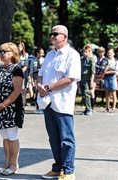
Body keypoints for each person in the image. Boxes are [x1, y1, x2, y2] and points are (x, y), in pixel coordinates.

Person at [37, 25, 80, 180]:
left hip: (62, 102)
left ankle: (69, 171)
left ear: (65, 36)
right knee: (53, 138)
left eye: (56, 34)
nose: (52, 36)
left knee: (67, 138)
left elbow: (70, 78)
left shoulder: (72, 55)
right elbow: (40, 74)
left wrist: (48, 87)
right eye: (51, 34)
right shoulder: (49, 55)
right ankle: (58, 167)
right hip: (47, 102)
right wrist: (39, 85)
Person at [0, 42, 24, 176]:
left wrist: (4, 104)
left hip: (11, 108)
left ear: (13, 53)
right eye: (1, 51)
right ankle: (6, 162)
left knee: (12, 136)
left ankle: (14, 163)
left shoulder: (17, 70)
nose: (2, 54)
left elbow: (16, 92)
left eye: (5, 51)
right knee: (4, 136)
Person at [80, 44, 95, 115]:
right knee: (83, 94)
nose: (84, 53)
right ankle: (86, 108)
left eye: (86, 52)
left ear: (89, 52)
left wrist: (91, 81)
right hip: (82, 79)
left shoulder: (91, 60)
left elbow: (93, 72)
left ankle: (89, 109)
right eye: (83, 52)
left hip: (87, 79)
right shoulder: (81, 60)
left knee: (87, 94)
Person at [29, 47, 45, 114]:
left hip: (42, 77)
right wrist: (32, 80)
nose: (42, 54)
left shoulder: (44, 60)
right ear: (37, 53)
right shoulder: (33, 60)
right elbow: (31, 71)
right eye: (41, 53)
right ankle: (38, 107)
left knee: (42, 92)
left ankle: (42, 107)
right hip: (36, 76)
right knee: (36, 92)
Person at [103, 48, 118, 113]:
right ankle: (107, 107)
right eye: (108, 53)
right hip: (106, 78)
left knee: (113, 92)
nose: (109, 54)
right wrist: (108, 64)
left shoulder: (116, 61)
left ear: (113, 54)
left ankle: (113, 107)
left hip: (113, 77)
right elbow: (104, 71)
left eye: (110, 53)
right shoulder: (105, 61)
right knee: (107, 93)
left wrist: (107, 72)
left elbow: (115, 71)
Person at [17, 42, 29, 106]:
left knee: (23, 90)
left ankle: (22, 105)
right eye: (18, 46)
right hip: (16, 72)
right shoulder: (15, 54)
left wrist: (21, 71)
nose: (19, 48)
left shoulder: (26, 55)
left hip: (23, 73)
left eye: (20, 46)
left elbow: (26, 65)